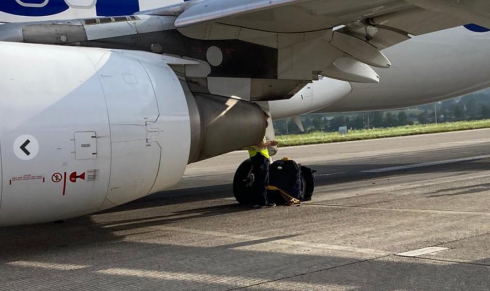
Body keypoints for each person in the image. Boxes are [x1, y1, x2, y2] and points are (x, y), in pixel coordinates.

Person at [248, 113, 279, 208]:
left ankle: (256, 201)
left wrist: (269, 143)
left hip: (256, 156)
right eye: (265, 120)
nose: (266, 122)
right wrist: (270, 144)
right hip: (260, 156)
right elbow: (260, 145)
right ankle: (262, 202)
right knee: (262, 180)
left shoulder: (252, 129)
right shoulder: (258, 130)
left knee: (258, 179)